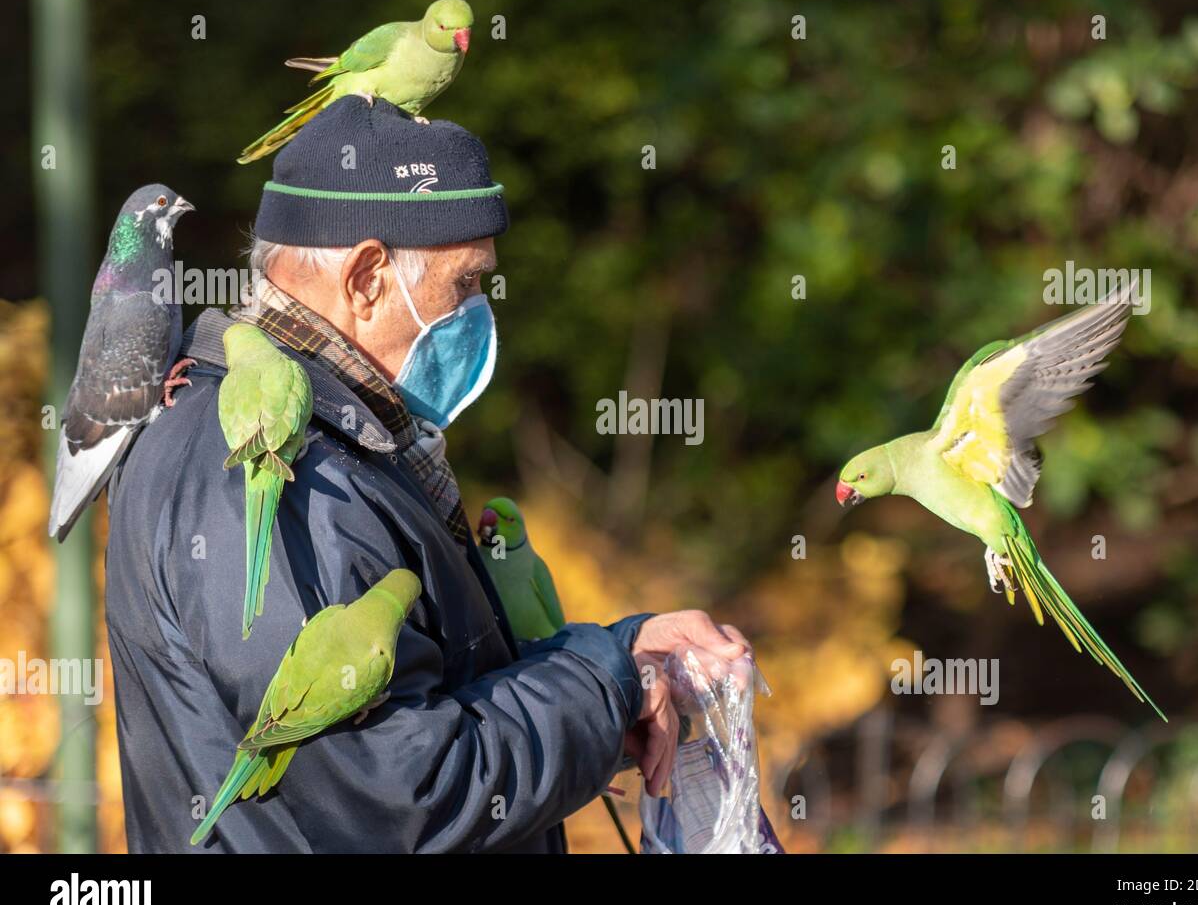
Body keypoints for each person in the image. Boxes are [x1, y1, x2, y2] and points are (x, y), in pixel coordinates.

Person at [104, 97, 750, 852]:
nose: (479, 313)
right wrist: (604, 685)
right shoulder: (288, 474)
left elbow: (433, 704)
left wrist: (621, 656)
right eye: (466, 284)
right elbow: (402, 795)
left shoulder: (345, 441)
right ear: (369, 276)